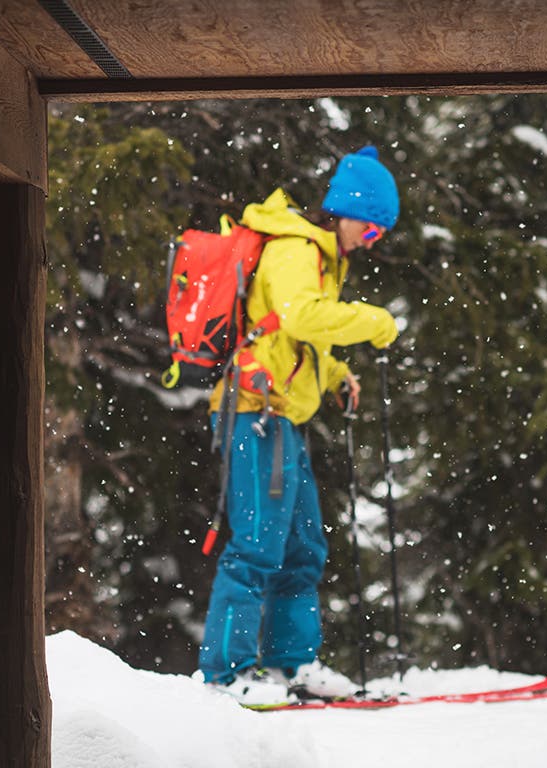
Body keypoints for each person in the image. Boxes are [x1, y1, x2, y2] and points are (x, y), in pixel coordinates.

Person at [198, 146, 401, 705]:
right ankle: (225, 674)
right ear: (353, 214)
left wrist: (335, 374)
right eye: (374, 230)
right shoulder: (295, 248)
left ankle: (290, 663)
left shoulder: (320, 259)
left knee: (304, 547)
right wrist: (374, 321)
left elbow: (294, 338)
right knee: (259, 543)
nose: (371, 242)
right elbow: (298, 316)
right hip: (255, 413)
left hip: (282, 414)